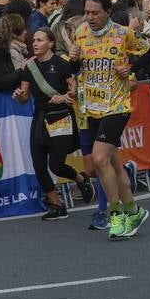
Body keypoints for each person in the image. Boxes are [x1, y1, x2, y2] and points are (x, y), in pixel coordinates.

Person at [70, 0, 150, 240]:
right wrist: (73, 60)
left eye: (95, 12)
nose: (90, 17)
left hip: (117, 106)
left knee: (99, 159)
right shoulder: (80, 33)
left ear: (107, 12)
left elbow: (149, 51)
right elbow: (76, 69)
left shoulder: (123, 34)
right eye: (87, 12)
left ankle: (115, 216)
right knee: (114, 166)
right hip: (91, 107)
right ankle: (134, 211)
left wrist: (131, 67)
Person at [15, 28, 94, 220]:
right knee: (39, 164)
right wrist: (20, 96)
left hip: (61, 117)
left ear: (50, 43)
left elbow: (73, 88)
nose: (35, 43)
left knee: (56, 164)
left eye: (40, 40)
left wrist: (65, 96)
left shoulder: (61, 63)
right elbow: (24, 96)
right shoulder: (30, 67)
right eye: (34, 40)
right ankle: (57, 206)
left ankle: (80, 179)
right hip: (40, 117)